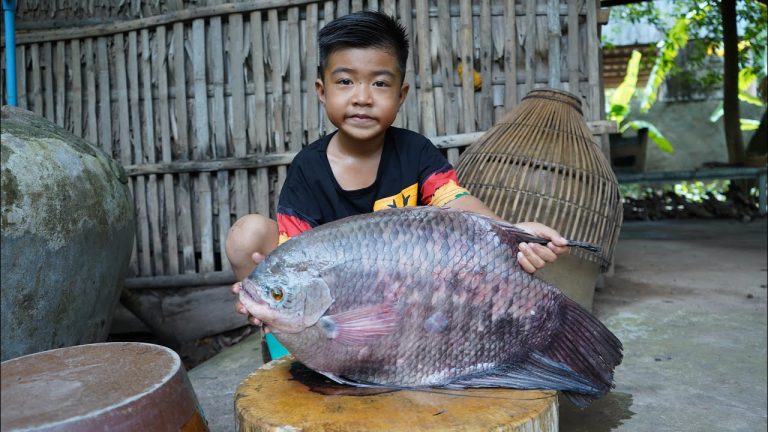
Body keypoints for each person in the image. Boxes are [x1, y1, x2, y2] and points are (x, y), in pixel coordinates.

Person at [225, 10, 570, 359]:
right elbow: (296, 258)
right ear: (322, 90)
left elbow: (455, 201)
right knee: (248, 234)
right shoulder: (308, 169)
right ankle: (284, 346)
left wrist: (510, 234)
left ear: (401, 94)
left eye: (379, 83)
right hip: (334, 295)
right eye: (345, 81)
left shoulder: (415, 151)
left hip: (401, 291)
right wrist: (268, 288)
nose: (362, 97)